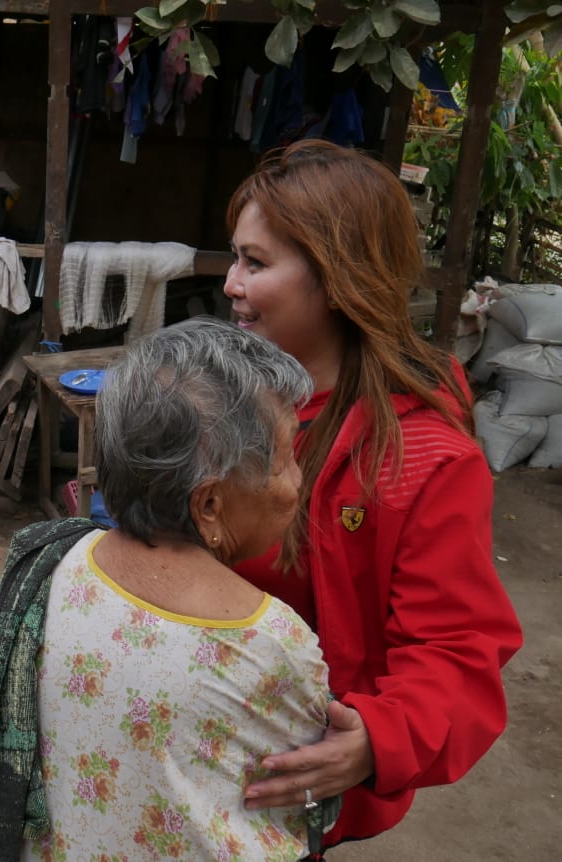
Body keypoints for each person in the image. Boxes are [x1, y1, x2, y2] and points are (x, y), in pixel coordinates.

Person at [0, 318, 339, 861]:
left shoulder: (52, 561)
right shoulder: (269, 641)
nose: (299, 477)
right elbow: (302, 807)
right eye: (288, 457)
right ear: (210, 505)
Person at [223, 139, 523, 849]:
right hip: (193, 743)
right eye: (234, 256)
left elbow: (453, 651)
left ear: (337, 278)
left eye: (255, 263)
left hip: (291, 779)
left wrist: (376, 738)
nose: (231, 283)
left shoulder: (424, 462)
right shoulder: (227, 398)